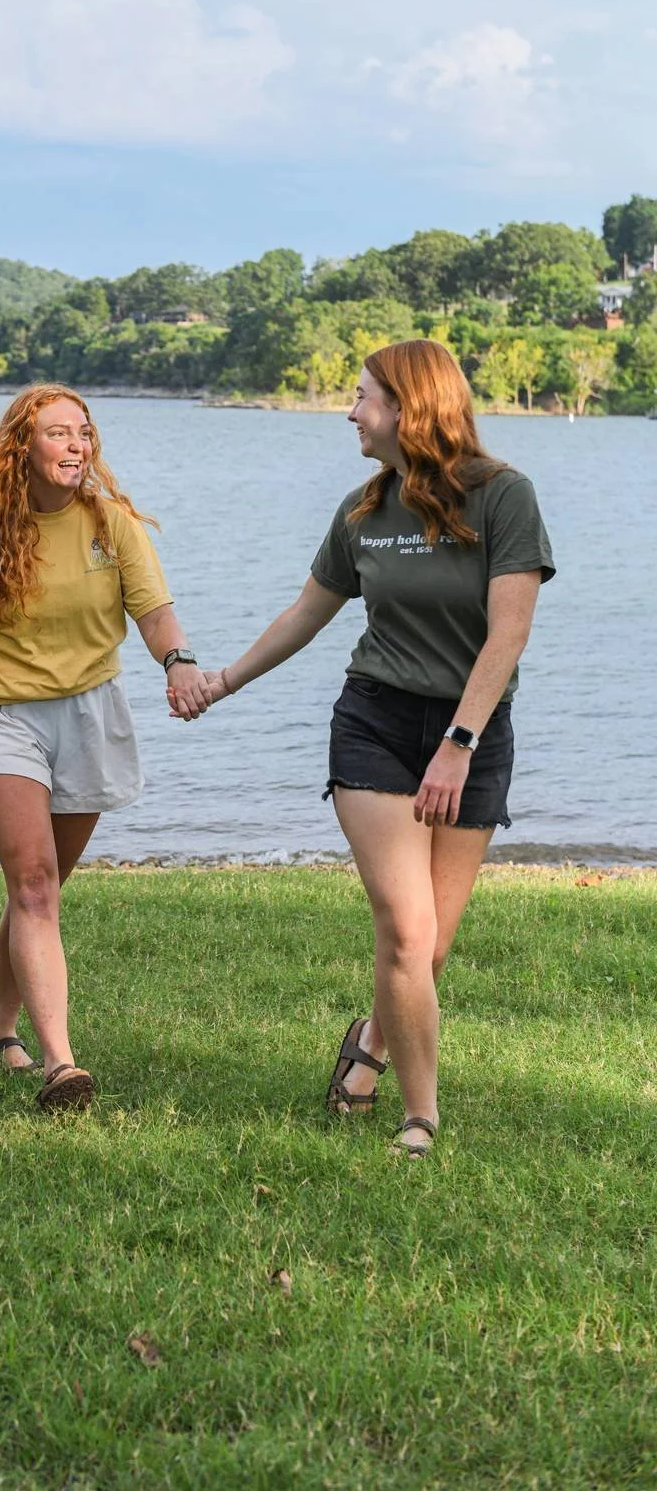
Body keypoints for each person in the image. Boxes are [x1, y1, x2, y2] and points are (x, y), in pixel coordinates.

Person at [197, 340, 553, 1157]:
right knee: (403, 929)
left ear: (407, 406)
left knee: (431, 946)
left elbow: (510, 634)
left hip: (472, 732)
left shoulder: (503, 498)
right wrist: (224, 682)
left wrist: (460, 743)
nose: (349, 411)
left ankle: (373, 1038)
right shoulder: (364, 508)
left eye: (361, 397)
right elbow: (306, 613)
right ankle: (419, 1117)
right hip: (377, 723)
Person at [0, 384, 211, 1110]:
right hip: (3, 714)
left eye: (85, 433)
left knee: (40, 886)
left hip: (92, 711)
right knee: (33, 884)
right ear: (22, 449)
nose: (77, 446)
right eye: (60, 433)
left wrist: (179, 662)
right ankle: (60, 1064)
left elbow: (155, 613)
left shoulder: (112, 523)